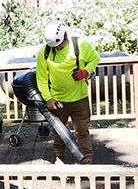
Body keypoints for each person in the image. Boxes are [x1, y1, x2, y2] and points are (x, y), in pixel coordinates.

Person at [35, 20, 100, 163]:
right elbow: (41, 78)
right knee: (59, 132)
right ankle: (59, 158)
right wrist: (48, 98)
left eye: (59, 45)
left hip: (80, 98)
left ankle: (87, 159)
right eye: (55, 46)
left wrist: (86, 71)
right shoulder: (44, 53)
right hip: (58, 100)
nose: (58, 48)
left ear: (65, 35)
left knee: (82, 131)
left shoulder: (80, 45)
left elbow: (95, 58)